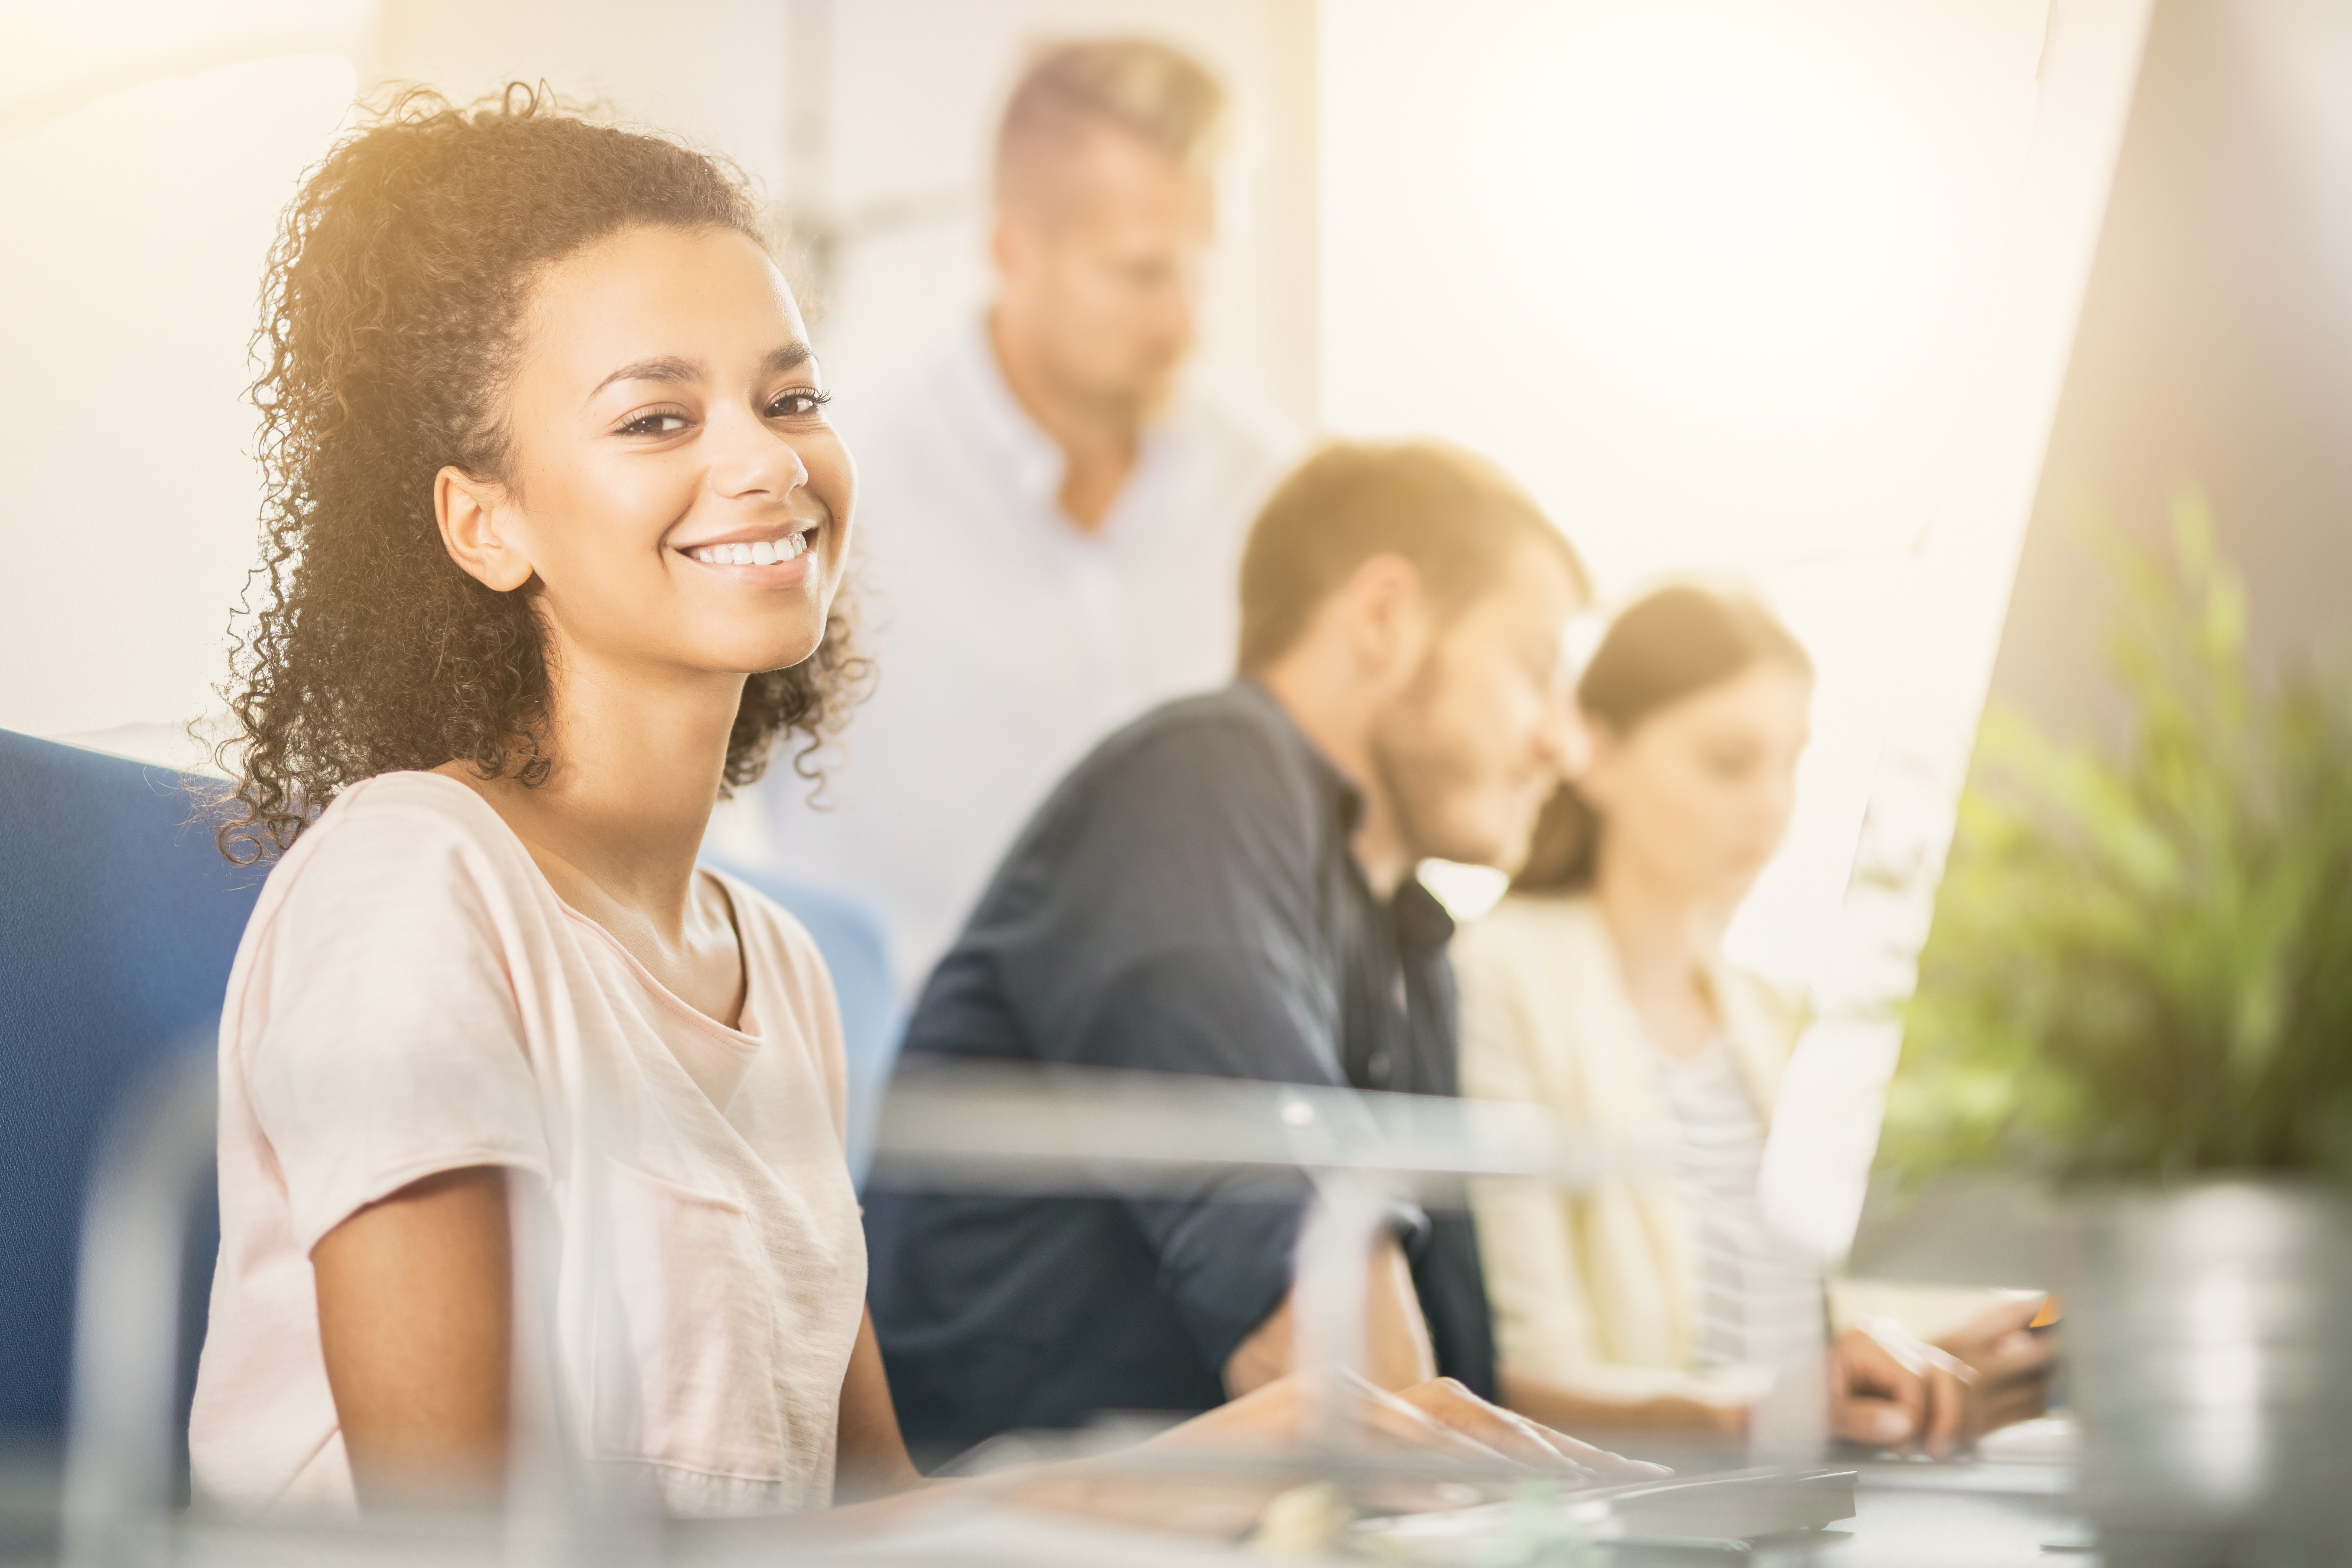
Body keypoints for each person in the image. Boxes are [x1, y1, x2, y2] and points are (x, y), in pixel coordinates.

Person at [186, 87, 1636, 1526]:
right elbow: (472, 1547)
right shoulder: (415, 884)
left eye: (791, 397)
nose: (764, 459)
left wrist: (1259, 1445)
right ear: (483, 521)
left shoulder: (787, 976)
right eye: (656, 417)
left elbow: (881, 1523)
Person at [868, 440, 1612, 1458]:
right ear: (1385, 619)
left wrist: (1747, 1421)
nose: (1561, 746)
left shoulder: (1408, 943)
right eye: (1535, 669)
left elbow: (1452, 1396)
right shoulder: (1195, 784)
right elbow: (1331, 1338)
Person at [1455, 585, 2055, 1457]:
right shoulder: (1499, 974)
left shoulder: (1769, 1013)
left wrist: (1925, 1361)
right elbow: (1513, 1380)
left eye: (1790, 764)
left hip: (1797, 1506)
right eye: (1730, 761)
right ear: (1598, 751)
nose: (1772, 803)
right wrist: (1768, 1409)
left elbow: (1803, 1340)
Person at [761, 37, 1296, 989]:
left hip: (1197, 1090)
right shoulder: (840, 486)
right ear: (1011, 249)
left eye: (1205, 270)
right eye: (1140, 274)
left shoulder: (1277, 499)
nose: (1185, 323)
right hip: (900, 1106)